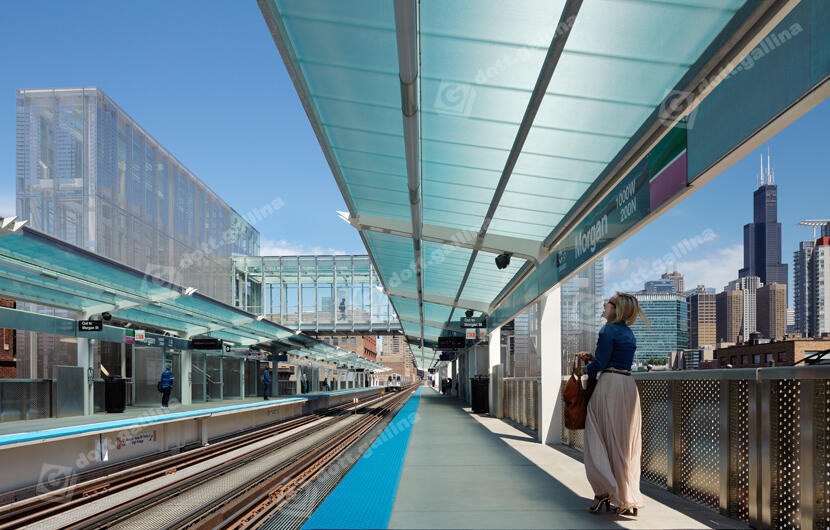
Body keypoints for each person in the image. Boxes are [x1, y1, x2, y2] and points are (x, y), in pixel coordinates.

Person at [577, 292, 648, 517]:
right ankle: (628, 496)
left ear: (615, 309)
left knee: (597, 438)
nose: (603, 305)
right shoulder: (628, 333)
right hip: (627, 386)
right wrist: (594, 358)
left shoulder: (607, 330)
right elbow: (614, 358)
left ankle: (604, 491)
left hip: (609, 386)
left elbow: (602, 363)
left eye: (607, 303)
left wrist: (583, 370)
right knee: (624, 444)